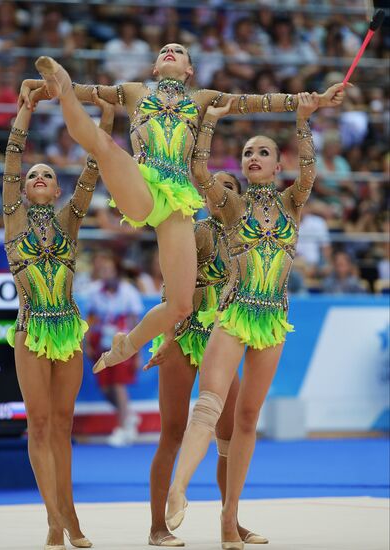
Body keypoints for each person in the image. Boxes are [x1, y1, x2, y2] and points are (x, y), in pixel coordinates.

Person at [18, 45, 345, 376]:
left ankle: (125, 347)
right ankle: (60, 70)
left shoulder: (203, 99)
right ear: (155, 67)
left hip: (178, 205)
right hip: (142, 185)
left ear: (189, 70)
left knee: (180, 305)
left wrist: (313, 100)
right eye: (165, 51)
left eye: (179, 51)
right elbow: (81, 91)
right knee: (103, 146)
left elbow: (254, 101)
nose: (171, 51)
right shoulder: (134, 92)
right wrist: (47, 85)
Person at [165, 91, 321, 550]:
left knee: (248, 419)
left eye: (263, 152)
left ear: (278, 165)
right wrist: (209, 123)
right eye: (248, 152)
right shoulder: (231, 207)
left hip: (273, 319)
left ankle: (229, 521)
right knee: (209, 405)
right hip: (234, 312)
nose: (253, 157)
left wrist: (303, 120)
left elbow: (310, 171)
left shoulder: (294, 202)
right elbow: (197, 173)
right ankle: (179, 487)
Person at [3, 87, 114, 550]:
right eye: (35, 175)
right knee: (41, 424)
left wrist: (105, 125)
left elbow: (91, 174)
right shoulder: (14, 219)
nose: (41, 177)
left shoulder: (69, 221)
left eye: (49, 173)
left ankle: (69, 512)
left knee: (65, 425)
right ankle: (53, 518)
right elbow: (11, 161)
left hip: (68, 330)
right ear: (25, 189)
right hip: (32, 330)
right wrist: (24, 113)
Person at [145, 172, 268, 547]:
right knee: (173, 432)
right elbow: (171, 287)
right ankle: (157, 527)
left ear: (239, 196)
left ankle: (230, 522)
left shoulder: (248, 236)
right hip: (184, 336)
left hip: (222, 337)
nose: (221, 191)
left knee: (228, 437)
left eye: (229, 186)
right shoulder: (196, 232)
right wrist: (167, 337)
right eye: (215, 186)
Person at [85, 250, 143, 447]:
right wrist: (86, 343)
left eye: (108, 269)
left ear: (117, 271)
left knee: (118, 383)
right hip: (100, 342)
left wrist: (137, 352)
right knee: (105, 387)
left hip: (122, 342)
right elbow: (90, 318)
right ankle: (129, 415)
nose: (105, 273)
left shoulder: (129, 292)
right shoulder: (94, 291)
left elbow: (136, 324)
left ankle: (123, 427)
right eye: (102, 269)